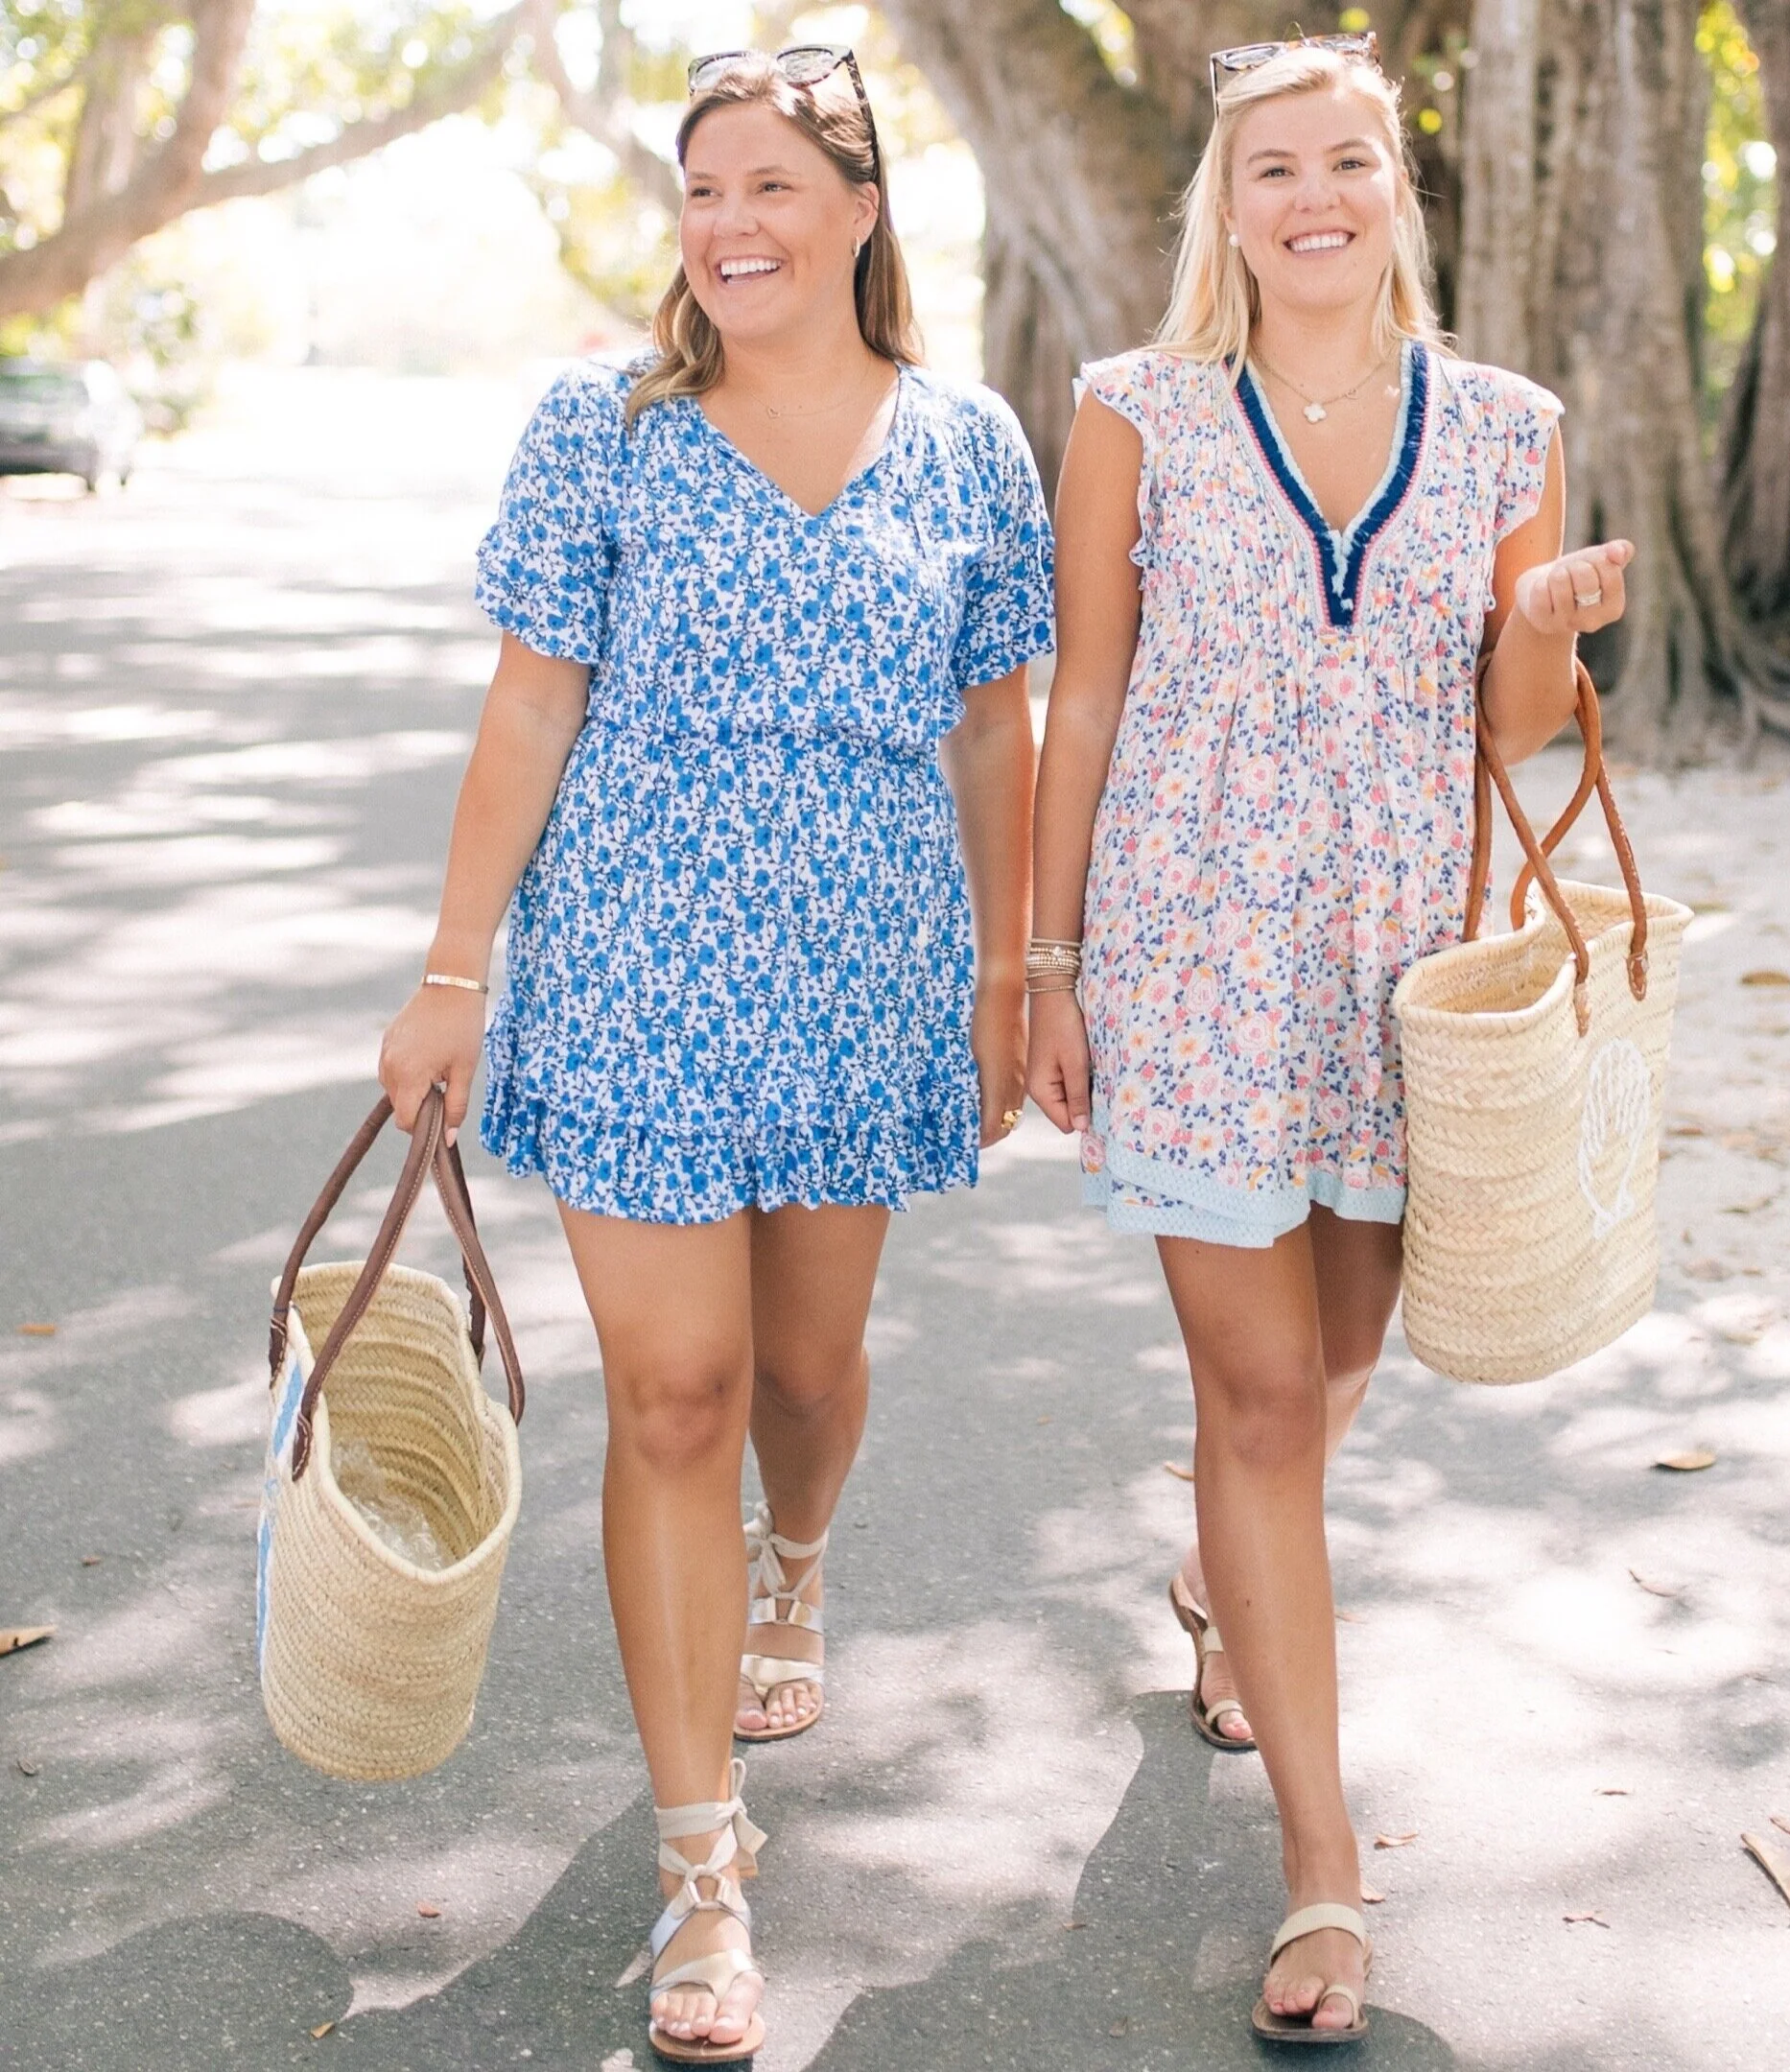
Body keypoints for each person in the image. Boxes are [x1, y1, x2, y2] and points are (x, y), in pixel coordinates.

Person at [378, 46, 1052, 2064]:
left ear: (859, 206)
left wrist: (1019, 969)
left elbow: (996, 730)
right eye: (701, 192)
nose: (731, 225)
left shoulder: (973, 444)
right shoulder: (604, 429)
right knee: (670, 1394)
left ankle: (799, 1565)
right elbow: (525, 713)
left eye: (772, 184)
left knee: (801, 1374)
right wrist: (451, 972)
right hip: (632, 952)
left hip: (864, 958)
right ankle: (703, 1870)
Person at [1025, 34, 1634, 2045]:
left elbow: (1516, 728)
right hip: (1189, 954)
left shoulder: (1508, 425)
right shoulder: (1135, 410)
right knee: (1267, 1399)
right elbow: (1087, 703)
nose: (1314, 194)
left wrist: (1546, 611)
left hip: (1396, 971)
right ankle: (1321, 1869)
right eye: (1273, 164)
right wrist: (1043, 966)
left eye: (1350, 160)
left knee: (1346, 1354)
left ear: (1398, 189)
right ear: (1228, 200)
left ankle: (1224, 1580)